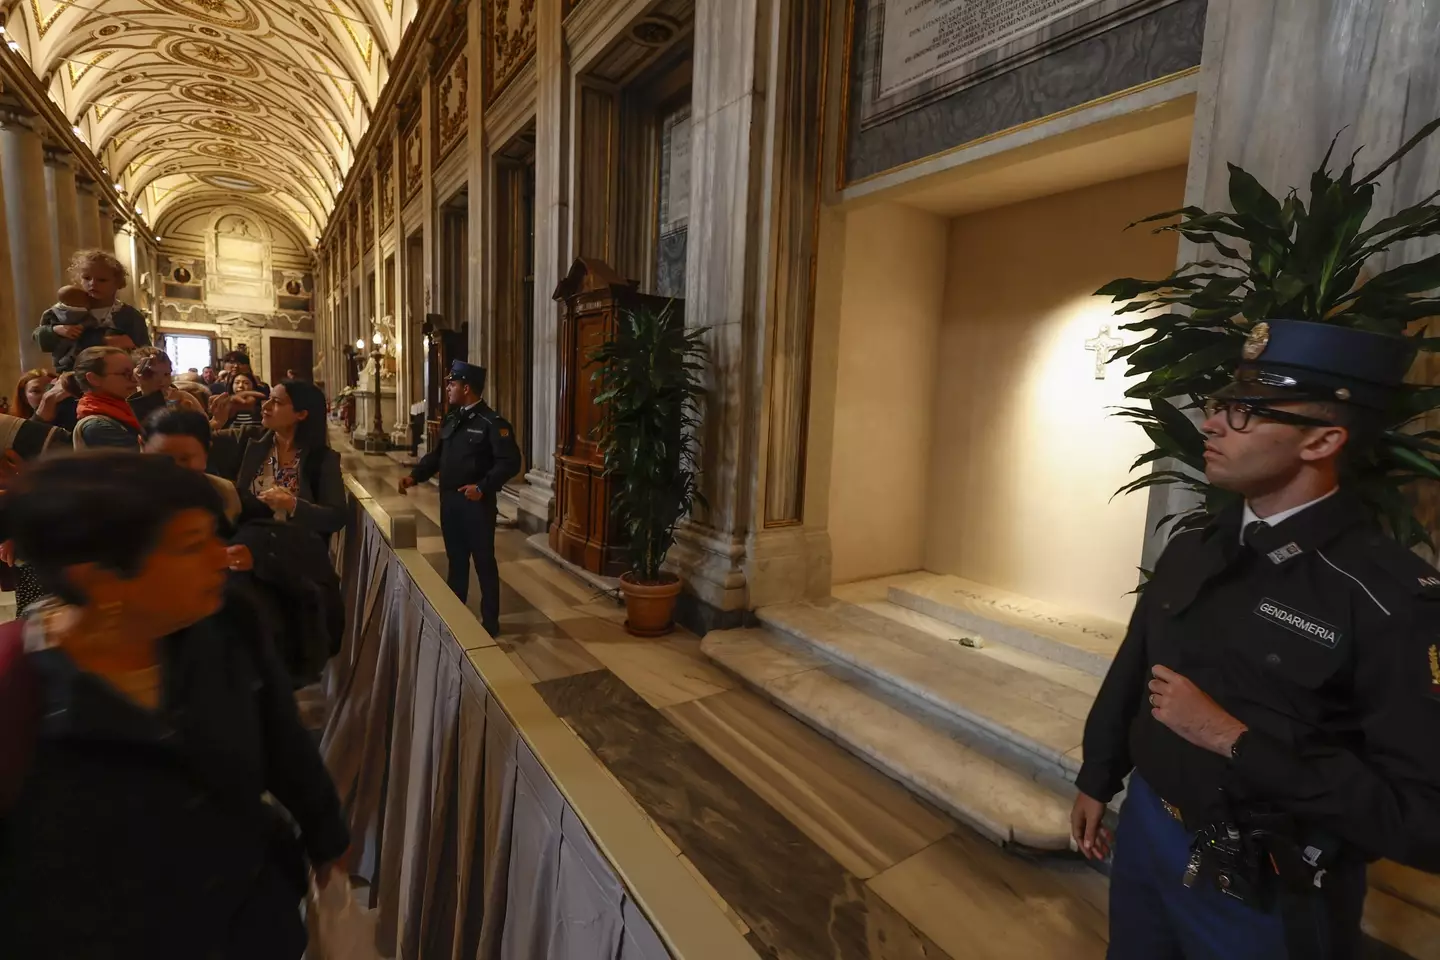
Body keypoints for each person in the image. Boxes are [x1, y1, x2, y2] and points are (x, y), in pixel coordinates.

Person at [1072, 320, 1440, 960]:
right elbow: (1135, 667)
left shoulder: (1388, 596)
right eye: (1221, 404)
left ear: (1323, 439)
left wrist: (1233, 739)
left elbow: (1422, 824)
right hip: (1149, 832)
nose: (1211, 424)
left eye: (1247, 412)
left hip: (1268, 879)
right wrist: (1098, 776)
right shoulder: (1195, 546)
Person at [0, 452, 349, 958]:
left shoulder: (226, 621)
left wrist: (327, 838)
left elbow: (283, 743)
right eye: (190, 545)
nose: (219, 555)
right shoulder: (21, 690)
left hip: (252, 925)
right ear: (99, 576)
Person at [399, 360, 521, 637]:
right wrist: (416, 476)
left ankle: (490, 622)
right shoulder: (452, 419)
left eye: (452, 384)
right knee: (456, 561)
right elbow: (437, 456)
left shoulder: (493, 423)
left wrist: (483, 487)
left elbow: (510, 462)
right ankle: (456, 615)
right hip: (450, 502)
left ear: (466, 388)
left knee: (483, 562)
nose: (448, 389)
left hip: (476, 504)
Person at [32, 251, 150, 372]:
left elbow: (144, 352)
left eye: (102, 280)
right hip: (72, 375)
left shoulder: (129, 316)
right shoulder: (66, 310)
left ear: (117, 283)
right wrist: (55, 330)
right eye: (87, 278)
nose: (93, 283)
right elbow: (40, 338)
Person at [69, 346, 142, 449]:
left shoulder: (128, 409)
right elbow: (148, 459)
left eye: (134, 373)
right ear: (94, 379)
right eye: (126, 374)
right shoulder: (97, 426)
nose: (135, 380)